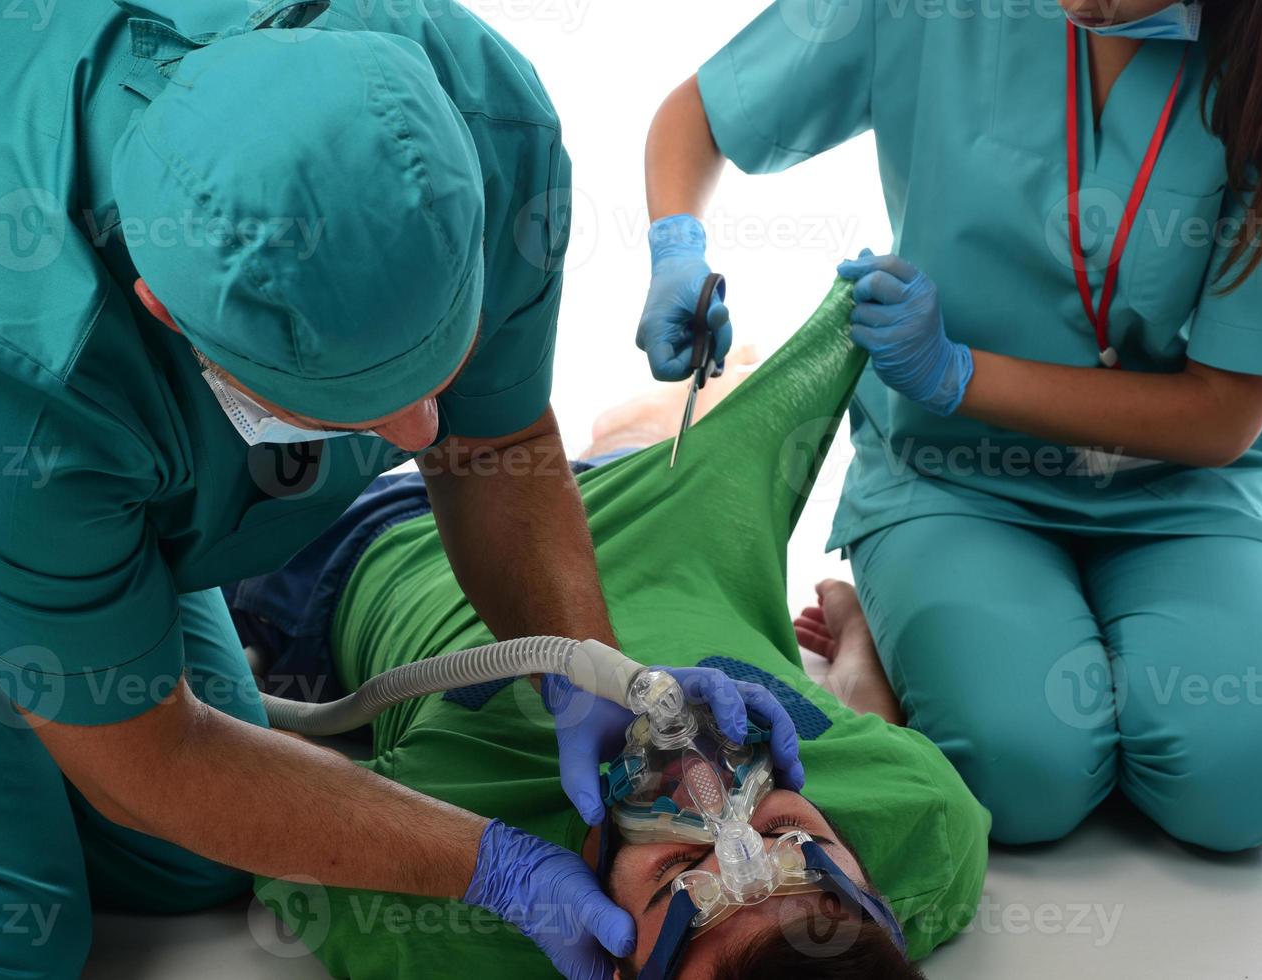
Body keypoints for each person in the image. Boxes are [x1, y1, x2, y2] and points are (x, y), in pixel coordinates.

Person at [0, 2, 802, 977]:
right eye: (351, 406)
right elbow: (150, 759)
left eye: (434, 371)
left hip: (77, 501)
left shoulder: (485, 124)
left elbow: (490, 450)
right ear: (166, 311)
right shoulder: (7, 350)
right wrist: (489, 865)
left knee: (197, 858)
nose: (419, 435)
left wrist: (588, 671)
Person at [638, 0, 1262, 851]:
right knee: (1023, 781)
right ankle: (871, 627)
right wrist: (677, 246)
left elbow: (1222, 412)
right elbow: (702, 114)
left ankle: (967, 644)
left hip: (1183, 486)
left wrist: (960, 373)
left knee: (1243, 784)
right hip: (953, 477)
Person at [235, 282, 989, 978]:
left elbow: (253, 789)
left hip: (372, 539)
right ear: (876, 894)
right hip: (674, 515)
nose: (710, 794)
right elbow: (874, 737)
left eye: (672, 877)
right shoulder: (929, 833)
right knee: (651, 431)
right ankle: (632, 431)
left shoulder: (439, 925)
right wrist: (853, 634)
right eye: (794, 837)